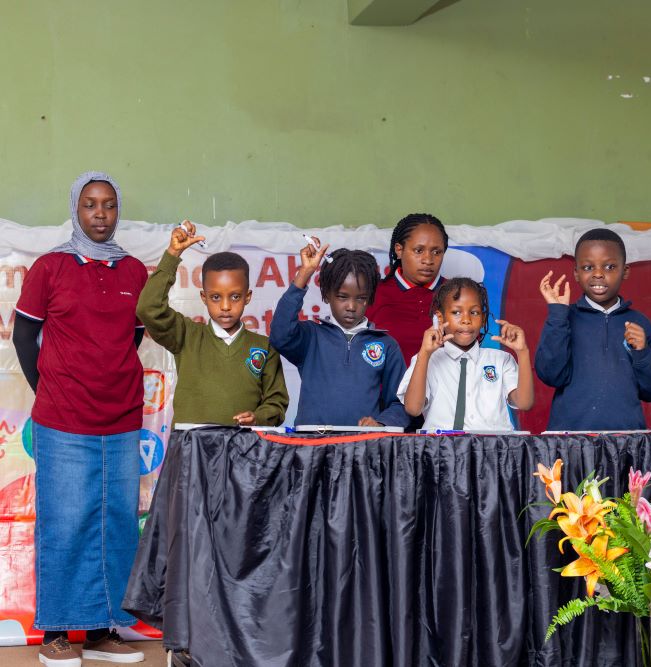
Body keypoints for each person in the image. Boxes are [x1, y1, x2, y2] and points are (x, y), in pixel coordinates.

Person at [11, 172, 146, 665]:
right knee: (66, 524)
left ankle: (101, 631)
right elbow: (24, 338)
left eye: (109, 205)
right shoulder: (50, 268)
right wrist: (50, 386)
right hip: (63, 419)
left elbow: (131, 337)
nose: (100, 214)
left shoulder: (134, 271)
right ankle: (56, 634)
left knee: (115, 523)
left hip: (122, 418)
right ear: (76, 209)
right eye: (90, 204)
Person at [136, 221, 288, 426]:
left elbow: (276, 402)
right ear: (204, 297)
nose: (225, 306)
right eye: (216, 297)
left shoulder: (264, 346)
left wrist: (258, 417)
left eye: (235, 297)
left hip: (243, 444)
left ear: (248, 297)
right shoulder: (186, 335)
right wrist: (172, 254)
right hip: (191, 444)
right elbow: (148, 308)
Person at [534, 228, 651, 431]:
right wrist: (557, 315)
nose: (598, 274)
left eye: (610, 266)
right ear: (576, 273)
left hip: (627, 439)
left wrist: (642, 353)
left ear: (625, 271)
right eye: (588, 267)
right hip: (570, 438)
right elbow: (551, 375)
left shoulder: (640, 323)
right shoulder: (563, 318)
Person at [270, 238, 408, 427]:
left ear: (370, 299)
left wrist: (381, 423)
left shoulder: (386, 345)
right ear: (327, 294)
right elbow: (279, 334)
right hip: (312, 441)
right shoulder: (311, 337)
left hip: (364, 442)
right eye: (342, 297)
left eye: (361, 298)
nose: (351, 306)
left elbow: (400, 403)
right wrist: (304, 273)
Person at [398, 277, 534, 431]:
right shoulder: (426, 360)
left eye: (474, 312)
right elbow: (413, 408)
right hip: (441, 444)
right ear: (440, 319)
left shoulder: (501, 360)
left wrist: (523, 352)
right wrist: (424, 354)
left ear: (483, 319)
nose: (466, 320)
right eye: (456, 312)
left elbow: (524, 403)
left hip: (493, 444)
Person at [365, 213, 448, 362]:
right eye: (418, 250)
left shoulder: (457, 294)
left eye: (436, 252)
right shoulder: (373, 293)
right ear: (399, 250)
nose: (428, 260)